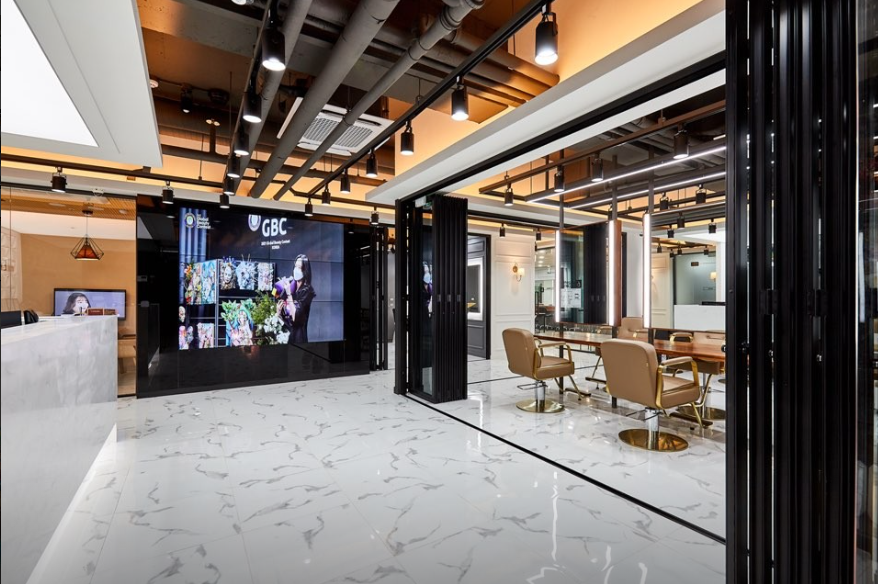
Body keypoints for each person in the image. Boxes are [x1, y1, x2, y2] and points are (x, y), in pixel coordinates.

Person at [277, 254, 316, 343]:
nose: (296, 270)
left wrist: (289, 294)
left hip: (299, 338)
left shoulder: (307, 291)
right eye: (295, 266)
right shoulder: (291, 286)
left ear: (305, 270)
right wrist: (279, 314)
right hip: (287, 336)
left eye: (299, 267)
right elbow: (287, 318)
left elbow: (295, 317)